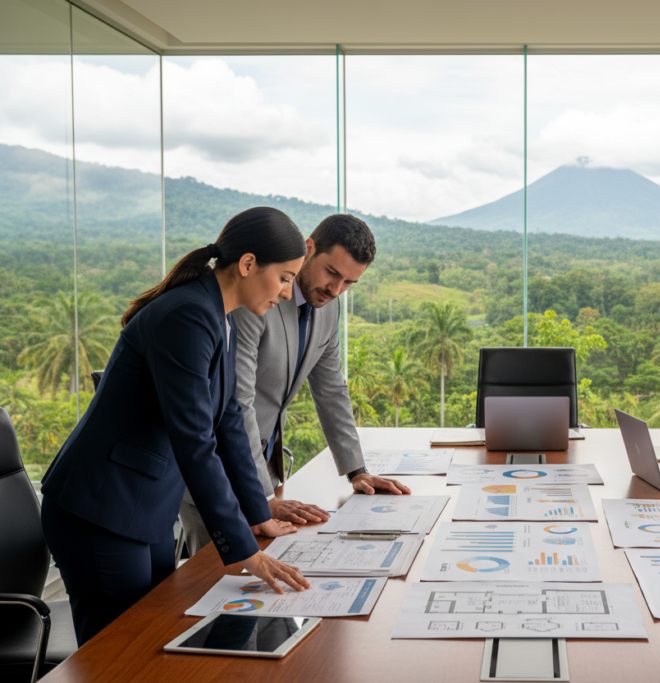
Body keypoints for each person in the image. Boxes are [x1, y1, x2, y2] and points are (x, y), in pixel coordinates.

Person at [41, 207, 313, 646]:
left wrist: (258, 515)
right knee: (118, 653)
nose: (287, 292)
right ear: (247, 264)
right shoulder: (187, 316)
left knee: (155, 636)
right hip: (99, 509)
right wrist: (242, 549)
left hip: (143, 507)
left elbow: (228, 426)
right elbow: (195, 442)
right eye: (284, 277)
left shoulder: (221, 317)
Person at [179, 213, 411, 554]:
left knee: (266, 589)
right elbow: (238, 402)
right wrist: (260, 499)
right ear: (309, 249)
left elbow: (331, 387)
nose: (335, 290)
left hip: (264, 475)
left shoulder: (328, 309)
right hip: (221, 474)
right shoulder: (256, 300)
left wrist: (357, 471)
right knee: (217, 590)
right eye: (332, 273)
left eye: (349, 283)